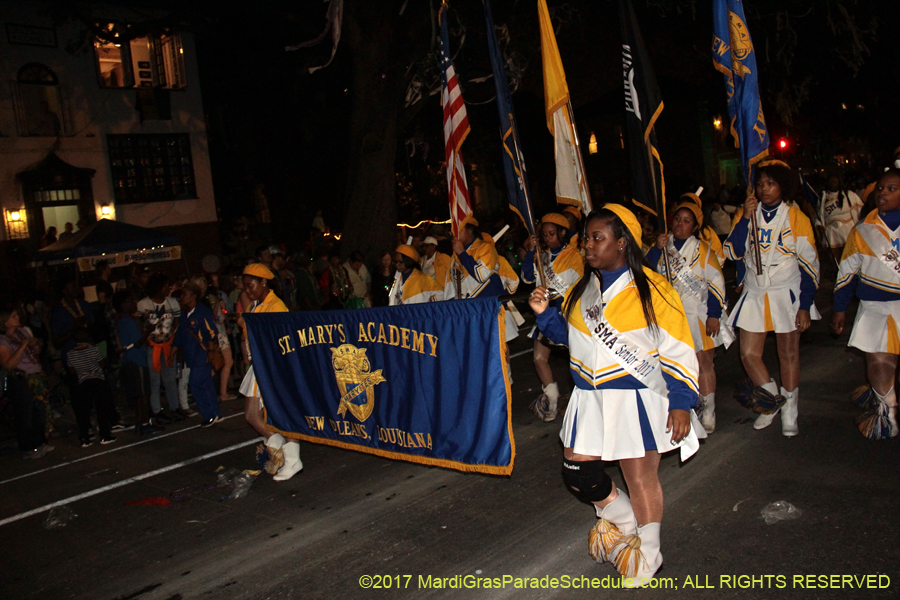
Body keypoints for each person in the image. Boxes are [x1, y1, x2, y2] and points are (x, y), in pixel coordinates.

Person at [529, 204, 701, 587]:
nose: (587, 246)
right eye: (586, 238)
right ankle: (624, 522)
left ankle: (649, 552)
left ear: (622, 243)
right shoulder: (582, 289)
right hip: (591, 398)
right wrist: (544, 315)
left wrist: (680, 402)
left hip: (637, 397)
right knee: (577, 471)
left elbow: (679, 352)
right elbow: (569, 340)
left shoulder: (655, 289)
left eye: (597, 238)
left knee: (639, 476)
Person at [724, 160, 820, 436]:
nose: (764, 189)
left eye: (771, 183)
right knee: (748, 354)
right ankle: (770, 401)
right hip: (755, 290)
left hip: (784, 291)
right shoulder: (747, 213)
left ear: (783, 186)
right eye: (760, 183)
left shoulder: (795, 217)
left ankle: (791, 409)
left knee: (788, 354)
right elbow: (731, 251)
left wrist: (804, 305)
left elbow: (810, 265)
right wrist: (744, 218)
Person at [646, 200, 730, 433]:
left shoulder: (703, 250)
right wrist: (655, 249)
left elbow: (715, 282)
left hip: (698, 313)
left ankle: (708, 410)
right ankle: (684, 408)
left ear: (694, 227)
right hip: (670, 315)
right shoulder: (663, 247)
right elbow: (645, 272)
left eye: (686, 221)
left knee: (704, 363)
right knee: (674, 364)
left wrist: (714, 314)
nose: (680, 224)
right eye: (677, 220)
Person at [832, 168, 900, 439]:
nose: (883, 193)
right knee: (878, 361)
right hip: (874, 306)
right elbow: (847, 273)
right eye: (881, 188)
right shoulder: (862, 231)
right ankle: (889, 409)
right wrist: (839, 308)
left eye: (892, 189)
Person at [237, 263, 302, 481]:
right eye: (245, 287)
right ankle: (279, 446)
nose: (247, 290)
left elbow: (282, 340)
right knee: (251, 415)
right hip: (260, 365)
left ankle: (292, 459)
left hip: (273, 366)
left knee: (282, 413)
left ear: (263, 282)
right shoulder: (256, 305)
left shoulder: (276, 306)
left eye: (250, 285)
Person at [521, 213, 584, 421]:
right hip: (546, 314)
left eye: (552, 233)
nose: (548, 237)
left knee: (577, 359)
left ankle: (585, 401)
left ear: (563, 233)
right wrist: (531, 251)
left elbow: (582, 285)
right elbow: (528, 277)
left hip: (567, 314)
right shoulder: (542, 256)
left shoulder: (574, 255)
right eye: (545, 234)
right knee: (539, 358)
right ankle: (552, 402)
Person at [0, 309, 54, 458]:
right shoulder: (3, 340)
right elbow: (8, 364)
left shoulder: (22, 332)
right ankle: (28, 447)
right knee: (25, 413)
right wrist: (23, 345)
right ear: (5, 321)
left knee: (38, 410)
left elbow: (35, 352)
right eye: (13, 316)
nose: (18, 317)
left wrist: (35, 344)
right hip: (19, 378)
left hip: (34, 375)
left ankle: (39, 442)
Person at [114, 291, 164, 435]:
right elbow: (138, 341)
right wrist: (149, 331)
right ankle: (144, 423)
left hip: (133, 359)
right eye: (130, 300)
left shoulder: (124, 319)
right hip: (136, 359)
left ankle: (143, 422)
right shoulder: (126, 320)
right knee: (143, 394)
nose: (134, 303)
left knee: (141, 393)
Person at [174, 283, 224, 427]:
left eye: (185, 294)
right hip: (191, 354)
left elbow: (211, 332)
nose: (182, 297)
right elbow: (179, 335)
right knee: (206, 383)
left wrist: (210, 351)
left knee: (195, 382)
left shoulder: (202, 312)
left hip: (202, 353)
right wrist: (173, 352)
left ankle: (208, 414)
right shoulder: (185, 314)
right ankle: (215, 413)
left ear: (193, 296)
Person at [136, 274, 182, 424]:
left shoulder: (172, 303)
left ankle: (174, 407)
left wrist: (174, 340)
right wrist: (145, 339)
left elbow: (176, 322)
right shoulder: (143, 305)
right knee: (154, 380)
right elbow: (140, 323)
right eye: (164, 286)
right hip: (152, 347)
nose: (167, 289)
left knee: (170, 378)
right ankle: (156, 410)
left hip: (167, 345)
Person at [67, 328, 116, 447]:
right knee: (101, 409)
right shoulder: (93, 349)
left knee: (84, 411)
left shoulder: (71, 353)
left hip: (83, 382)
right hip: (97, 380)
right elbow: (102, 364)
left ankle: (85, 438)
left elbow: (71, 370)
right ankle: (104, 435)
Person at [447, 218, 504, 299]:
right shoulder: (454, 258)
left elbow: (482, 275)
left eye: (459, 230)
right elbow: (452, 290)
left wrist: (462, 253)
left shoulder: (486, 247)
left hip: (489, 306)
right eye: (453, 231)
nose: (455, 234)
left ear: (470, 229)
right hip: (468, 308)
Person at [817, 173, 864, 265]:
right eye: (831, 181)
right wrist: (819, 225)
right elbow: (819, 215)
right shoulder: (823, 197)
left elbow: (860, 210)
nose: (833, 183)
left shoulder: (849, 195)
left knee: (850, 253)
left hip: (848, 229)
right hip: (832, 231)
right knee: (834, 256)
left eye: (835, 181)